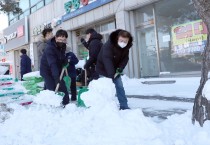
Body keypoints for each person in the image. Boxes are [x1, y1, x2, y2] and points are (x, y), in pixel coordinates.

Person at [96, 29, 133, 110]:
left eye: (125, 41)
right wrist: (110, 75)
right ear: (117, 38)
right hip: (103, 69)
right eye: (121, 40)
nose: (123, 43)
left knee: (120, 86)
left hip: (115, 70)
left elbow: (125, 59)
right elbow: (107, 60)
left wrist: (120, 68)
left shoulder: (126, 48)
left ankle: (124, 106)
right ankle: (105, 107)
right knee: (106, 88)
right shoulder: (108, 45)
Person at [40, 29, 69, 106]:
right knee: (51, 88)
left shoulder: (63, 46)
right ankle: (50, 106)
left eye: (63, 40)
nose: (61, 41)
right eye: (60, 39)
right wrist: (56, 77)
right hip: (47, 71)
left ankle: (66, 105)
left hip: (56, 69)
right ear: (55, 38)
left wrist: (65, 60)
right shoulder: (49, 48)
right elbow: (52, 63)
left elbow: (61, 56)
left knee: (63, 87)